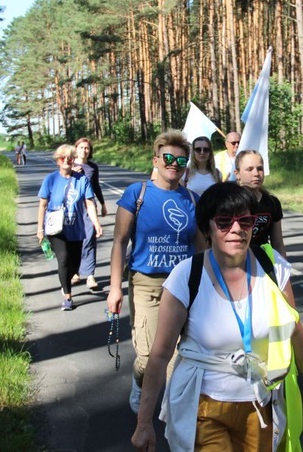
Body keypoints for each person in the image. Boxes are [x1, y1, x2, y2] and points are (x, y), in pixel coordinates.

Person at [131, 182, 303, 452]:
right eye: (224, 222)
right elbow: (159, 355)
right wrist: (144, 422)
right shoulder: (186, 276)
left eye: (246, 221)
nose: (237, 229)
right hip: (203, 406)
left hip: (261, 404)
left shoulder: (272, 267)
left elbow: (294, 330)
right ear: (207, 228)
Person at [107, 129, 205, 414]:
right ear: (156, 160)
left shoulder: (193, 200)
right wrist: (115, 288)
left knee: (178, 356)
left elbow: (200, 249)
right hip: (147, 284)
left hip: (183, 286)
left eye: (181, 159)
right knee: (148, 357)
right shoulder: (137, 194)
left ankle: (173, 417)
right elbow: (119, 241)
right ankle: (140, 384)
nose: (174, 163)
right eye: (168, 157)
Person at [37, 144, 103, 311]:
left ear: (74, 160)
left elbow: (89, 203)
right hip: (56, 229)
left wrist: (96, 223)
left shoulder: (82, 180)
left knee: (75, 265)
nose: (66, 160)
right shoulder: (50, 179)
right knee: (64, 259)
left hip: (76, 228)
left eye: (70, 158)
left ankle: (66, 279)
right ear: (57, 161)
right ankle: (68, 297)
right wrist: (40, 229)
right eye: (62, 158)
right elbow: (43, 205)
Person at [71, 137, 109, 291]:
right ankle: (75, 272)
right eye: (81, 147)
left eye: (87, 148)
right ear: (76, 149)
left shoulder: (93, 167)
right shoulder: (70, 165)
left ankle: (90, 275)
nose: (84, 150)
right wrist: (72, 173)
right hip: (73, 206)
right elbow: (63, 183)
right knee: (75, 240)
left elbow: (96, 186)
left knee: (90, 238)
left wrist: (103, 204)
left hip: (89, 206)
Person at [234, 149, 287, 258]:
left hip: (263, 262)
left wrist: (283, 270)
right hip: (236, 262)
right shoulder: (229, 201)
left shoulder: (272, 203)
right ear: (237, 174)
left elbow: (278, 244)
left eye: (260, 169)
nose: (256, 174)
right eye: (249, 169)